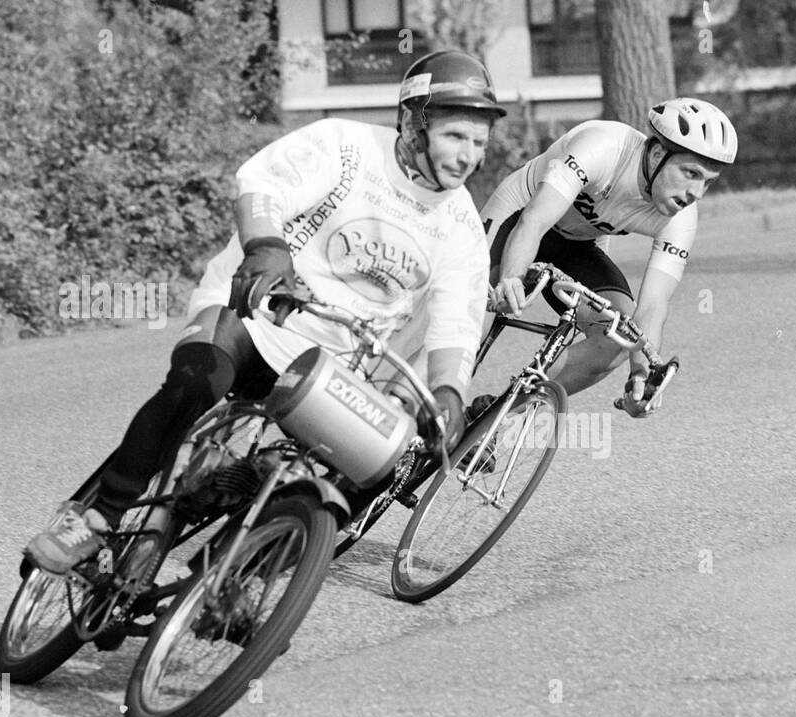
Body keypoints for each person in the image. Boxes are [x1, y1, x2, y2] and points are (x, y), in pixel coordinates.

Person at [25, 50, 506, 576]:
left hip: (332, 365)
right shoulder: (346, 147)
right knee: (195, 384)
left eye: (479, 143)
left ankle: (222, 582)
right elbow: (262, 185)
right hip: (256, 313)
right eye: (456, 136)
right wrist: (267, 248)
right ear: (414, 123)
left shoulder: (460, 228)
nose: (468, 157)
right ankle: (93, 516)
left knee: (369, 472)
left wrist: (448, 394)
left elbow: (456, 322)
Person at [479, 97, 737, 419]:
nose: (696, 193)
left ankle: (492, 415)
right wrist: (511, 279)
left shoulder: (681, 218)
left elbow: (653, 306)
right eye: (690, 173)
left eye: (708, 183)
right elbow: (535, 221)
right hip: (520, 216)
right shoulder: (605, 146)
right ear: (658, 154)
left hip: (578, 246)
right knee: (473, 311)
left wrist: (641, 376)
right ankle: (417, 412)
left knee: (620, 336)